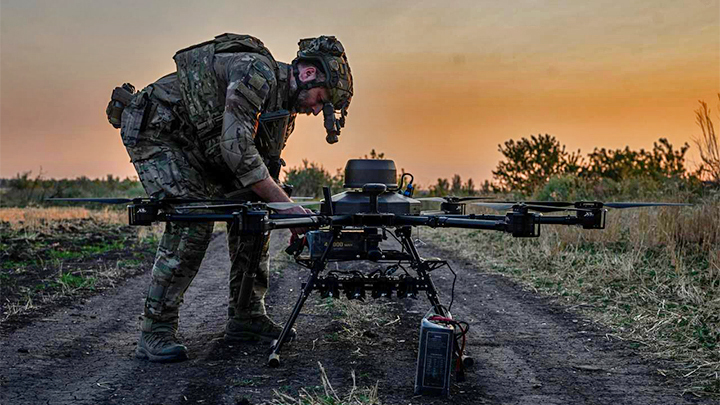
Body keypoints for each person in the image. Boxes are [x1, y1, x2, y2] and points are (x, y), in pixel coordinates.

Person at [108, 34, 353, 362]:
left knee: (255, 215)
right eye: (321, 99)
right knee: (193, 219)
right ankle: (155, 329)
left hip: (204, 147)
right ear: (309, 74)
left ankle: (246, 317)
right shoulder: (256, 72)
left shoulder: (284, 112)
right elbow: (236, 149)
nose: (316, 109)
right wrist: (287, 207)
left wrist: (284, 213)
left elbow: (264, 169)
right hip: (159, 132)